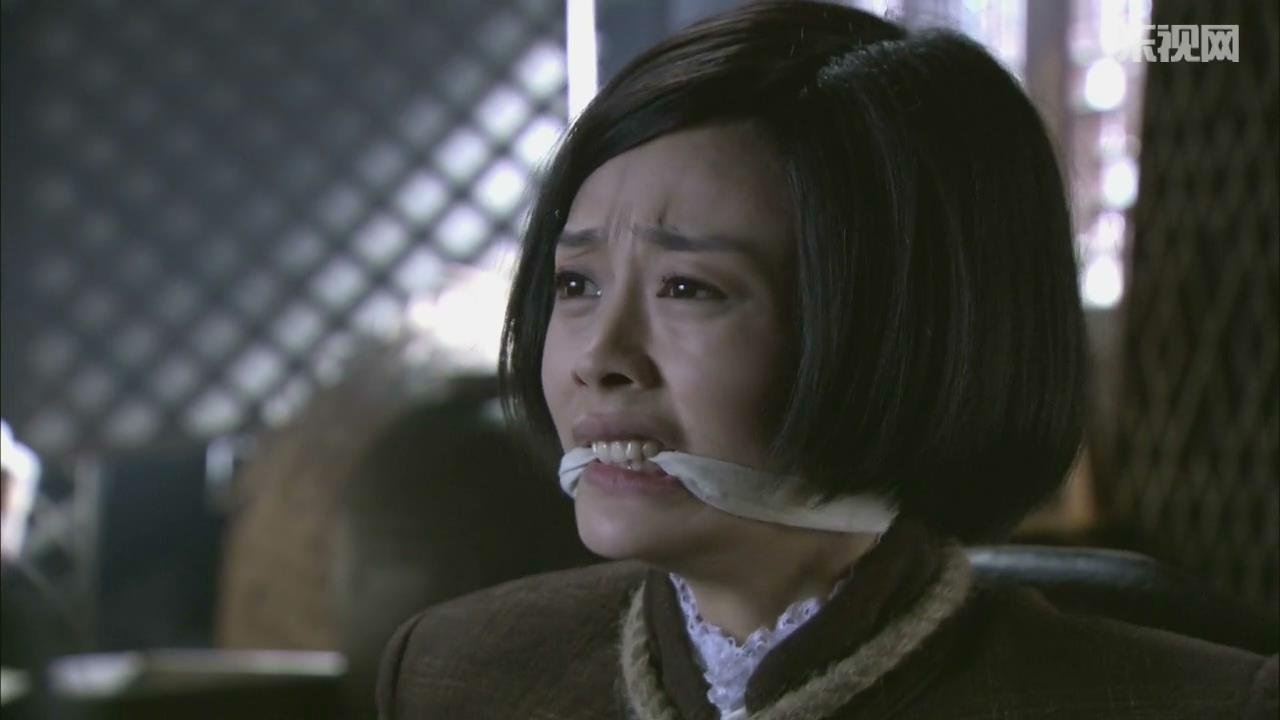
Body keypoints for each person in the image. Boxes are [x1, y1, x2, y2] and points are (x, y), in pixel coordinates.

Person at [376, 2, 1279, 718]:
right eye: (575, 285)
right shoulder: (461, 674)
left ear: (902, 329)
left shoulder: (1194, 704)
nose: (598, 360)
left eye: (688, 288)